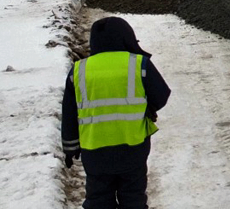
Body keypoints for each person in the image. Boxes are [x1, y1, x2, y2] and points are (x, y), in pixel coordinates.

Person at [61, 17, 171, 209]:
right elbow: (161, 97)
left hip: (95, 153)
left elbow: (70, 114)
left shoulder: (78, 71)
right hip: (133, 149)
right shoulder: (139, 65)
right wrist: (146, 108)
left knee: (98, 200)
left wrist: (70, 147)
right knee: (133, 198)